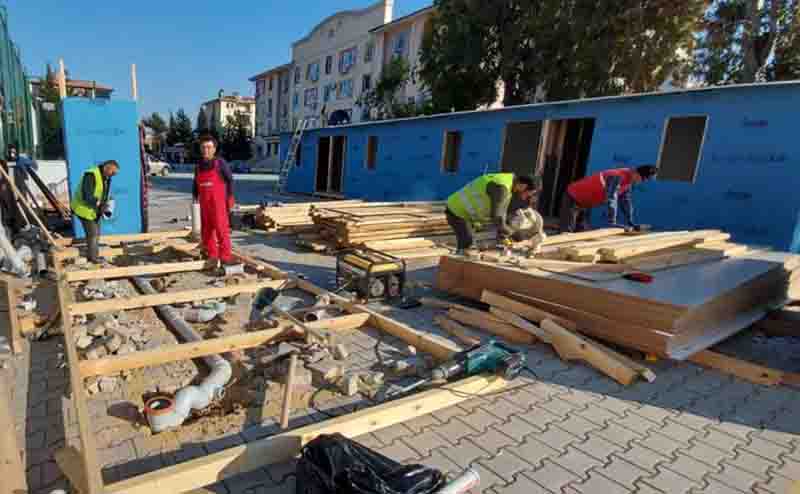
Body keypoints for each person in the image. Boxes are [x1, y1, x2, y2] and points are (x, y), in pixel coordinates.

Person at [445, 173, 540, 254]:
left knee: (471, 246)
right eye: (528, 194)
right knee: (467, 247)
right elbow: (497, 218)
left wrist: (504, 232)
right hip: (457, 211)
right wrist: (513, 233)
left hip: (468, 214)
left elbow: (501, 214)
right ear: (522, 186)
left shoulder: (509, 184)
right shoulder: (502, 188)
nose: (526, 197)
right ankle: (458, 267)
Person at [560, 165, 658, 233]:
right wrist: (612, 220)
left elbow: (625, 202)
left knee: (581, 231)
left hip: (586, 203)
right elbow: (611, 197)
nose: (642, 182)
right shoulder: (618, 176)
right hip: (573, 197)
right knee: (567, 232)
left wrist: (630, 221)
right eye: (643, 179)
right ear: (637, 173)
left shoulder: (628, 182)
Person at [193, 135, 235, 271]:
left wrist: (230, 197)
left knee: (222, 231)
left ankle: (225, 259)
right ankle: (212, 256)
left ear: (214, 149)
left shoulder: (220, 163)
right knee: (206, 231)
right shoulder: (198, 166)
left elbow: (230, 180)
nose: (206, 150)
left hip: (218, 204)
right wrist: (194, 196)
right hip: (205, 204)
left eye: (209, 147)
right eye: (203, 147)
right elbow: (195, 182)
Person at [71, 160, 120, 263]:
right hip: (82, 208)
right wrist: (100, 204)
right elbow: (87, 196)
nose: (113, 175)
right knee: (93, 233)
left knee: (97, 233)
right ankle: (93, 258)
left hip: (93, 209)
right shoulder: (91, 174)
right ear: (107, 167)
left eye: (115, 174)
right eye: (113, 172)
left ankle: (94, 255)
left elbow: (104, 193)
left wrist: (106, 205)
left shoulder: (107, 177)